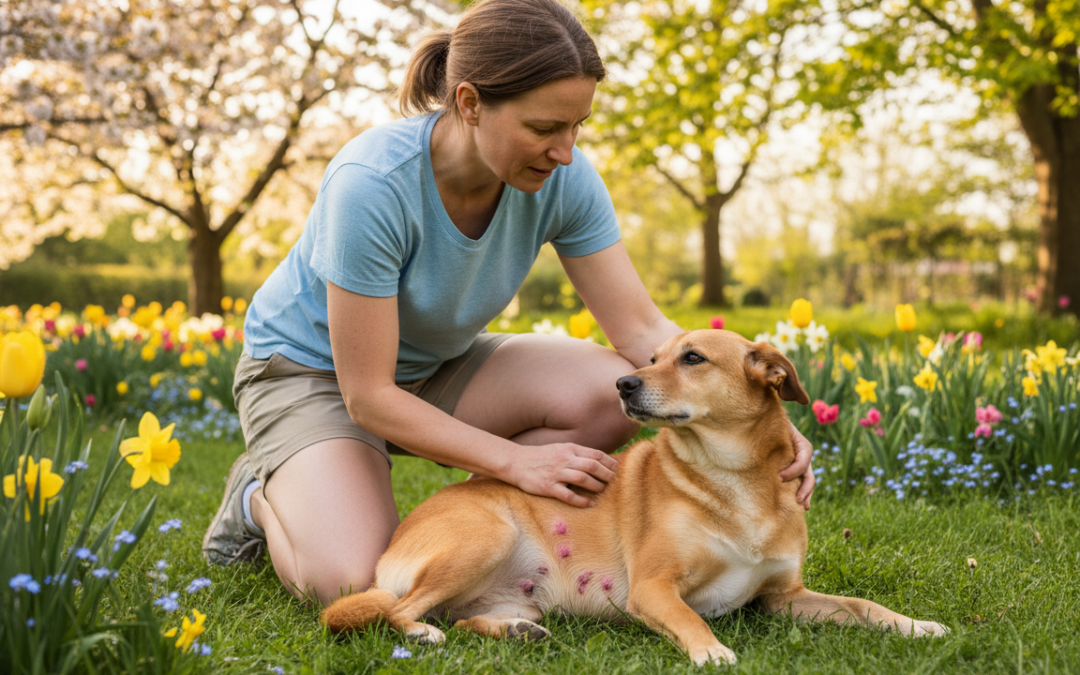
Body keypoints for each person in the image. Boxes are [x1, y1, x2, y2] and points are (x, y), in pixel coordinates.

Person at [202, 0, 816, 605]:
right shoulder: (371, 185)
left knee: (611, 388)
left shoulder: (562, 177)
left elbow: (643, 328)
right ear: (469, 104)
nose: (566, 151)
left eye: (577, 127)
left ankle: (486, 529)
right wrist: (518, 464)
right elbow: (367, 395)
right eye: (545, 128)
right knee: (348, 579)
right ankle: (259, 495)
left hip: (436, 365)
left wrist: (765, 419)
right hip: (314, 376)